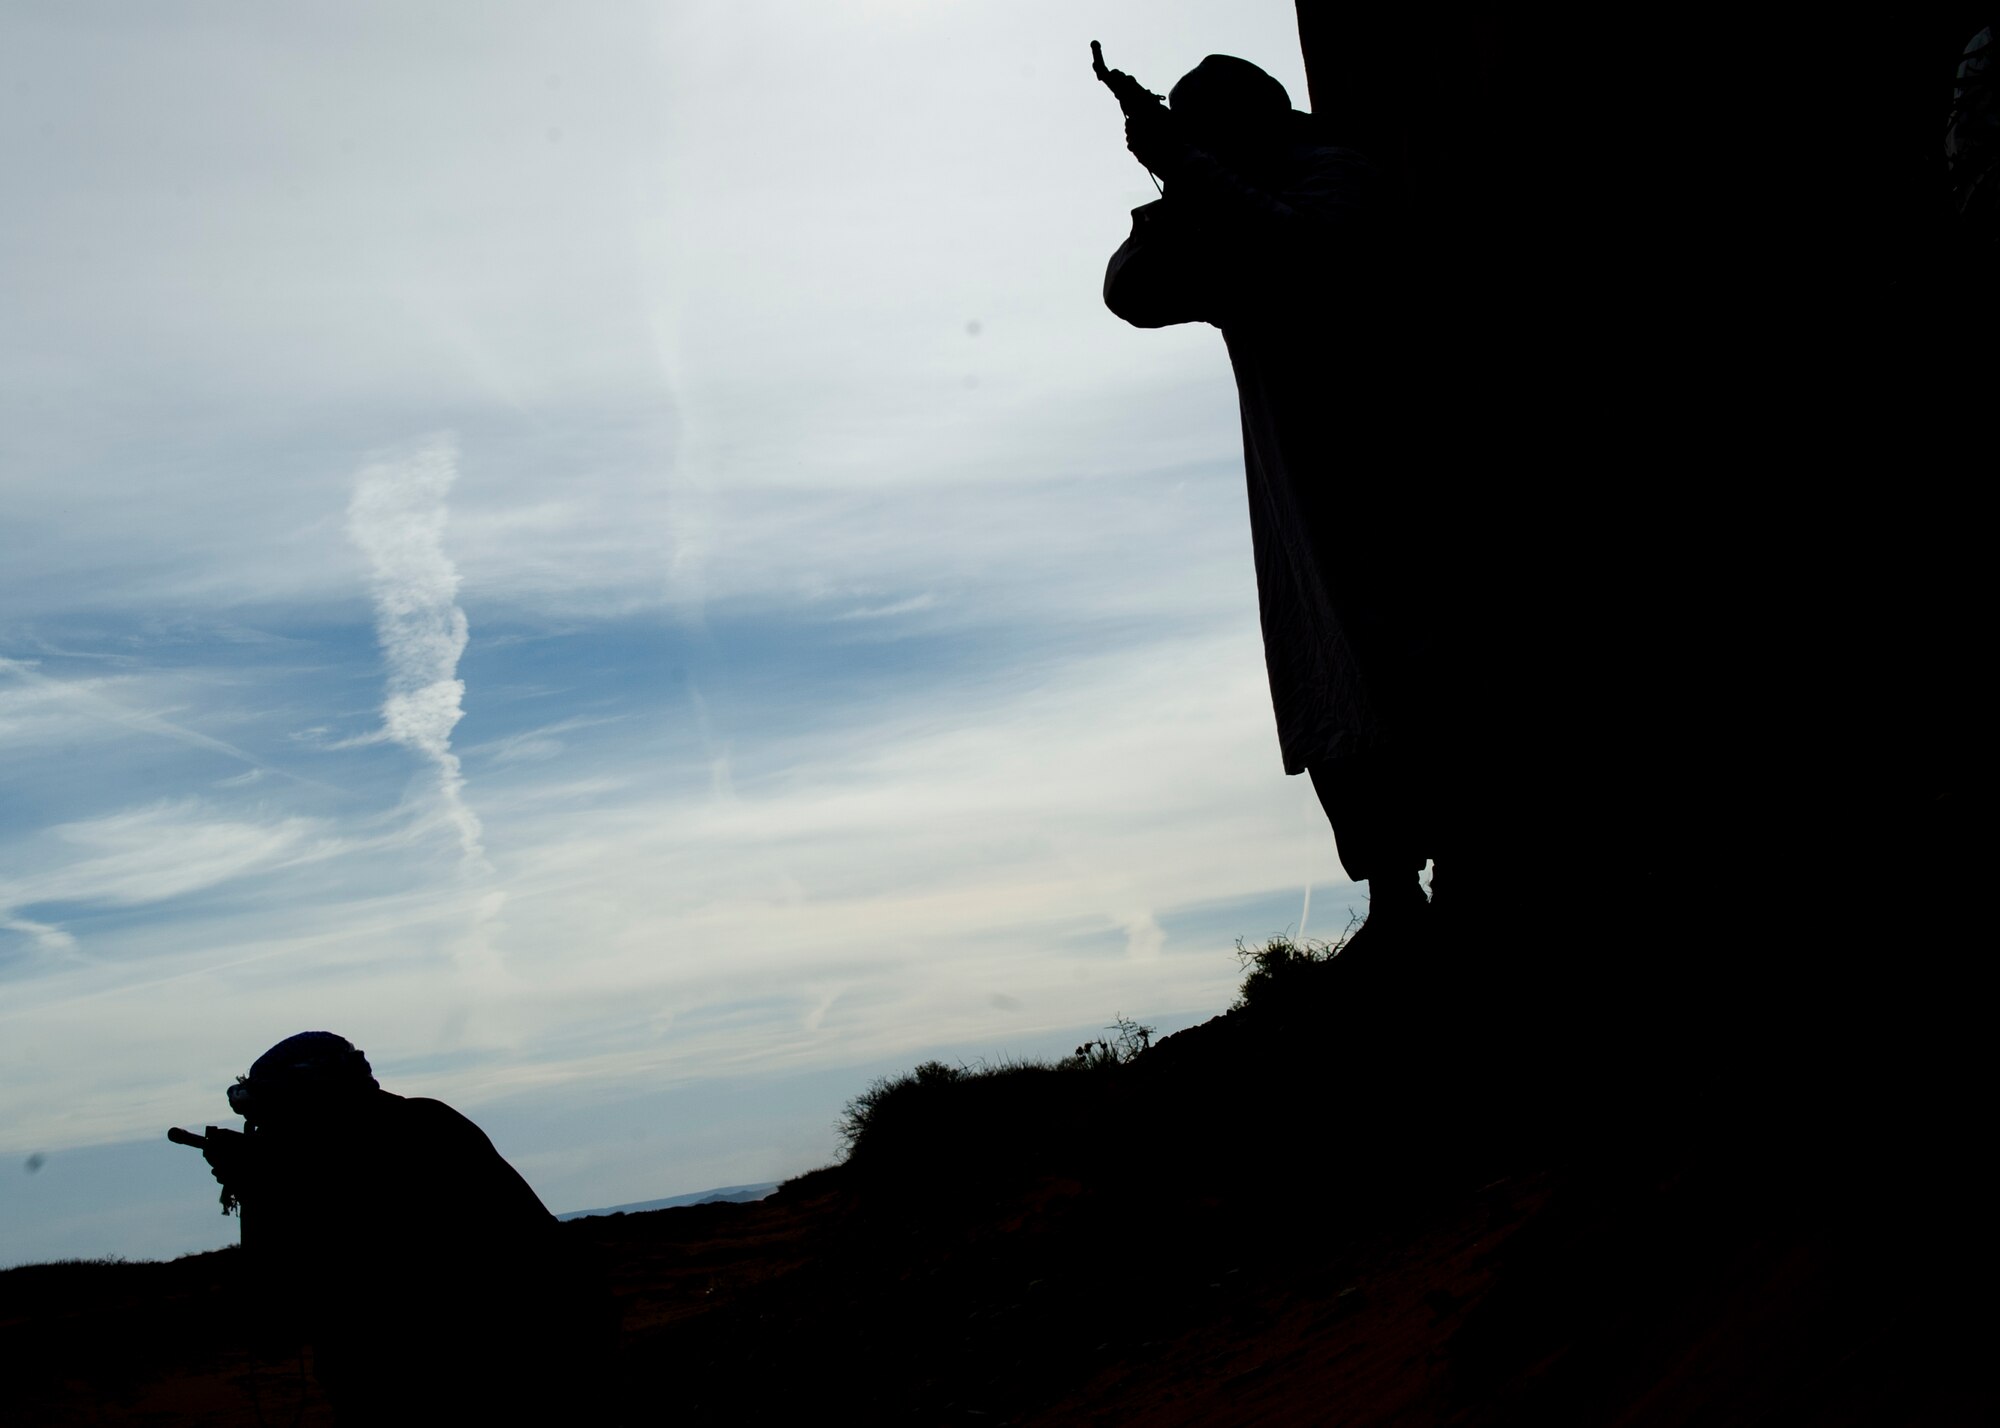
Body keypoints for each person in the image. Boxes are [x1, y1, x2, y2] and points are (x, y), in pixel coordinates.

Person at [1101, 54, 1445, 948]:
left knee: (1415, 654)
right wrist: (1177, 184)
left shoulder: (1334, 175)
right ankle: (1391, 889)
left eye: (1206, 124)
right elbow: (1131, 289)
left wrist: (1192, 170)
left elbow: (1316, 255)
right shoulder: (1226, 207)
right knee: (1331, 680)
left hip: (1387, 461)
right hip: (1299, 492)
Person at [199, 1031, 611, 1423]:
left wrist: (259, 1192)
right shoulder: (426, 1124)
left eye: (273, 1111)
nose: (267, 1128)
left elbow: (273, 1329)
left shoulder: (369, 1161)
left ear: (311, 1100)